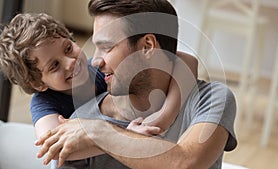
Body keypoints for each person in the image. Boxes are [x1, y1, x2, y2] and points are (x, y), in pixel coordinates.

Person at [35, 0, 237, 168]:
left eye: (106, 47)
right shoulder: (77, 126)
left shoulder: (210, 100)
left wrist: (101, 133)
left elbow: (186, 163)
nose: (95, 61)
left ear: (147, 46)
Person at [0, 12, 198, 167]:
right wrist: (121, 136)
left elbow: (188, 60)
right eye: (54, 66)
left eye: (68, 48)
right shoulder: (44, 103)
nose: (70, 63)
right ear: (38, 84)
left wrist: (166, 116)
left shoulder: (98, 67)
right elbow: (57, 149)